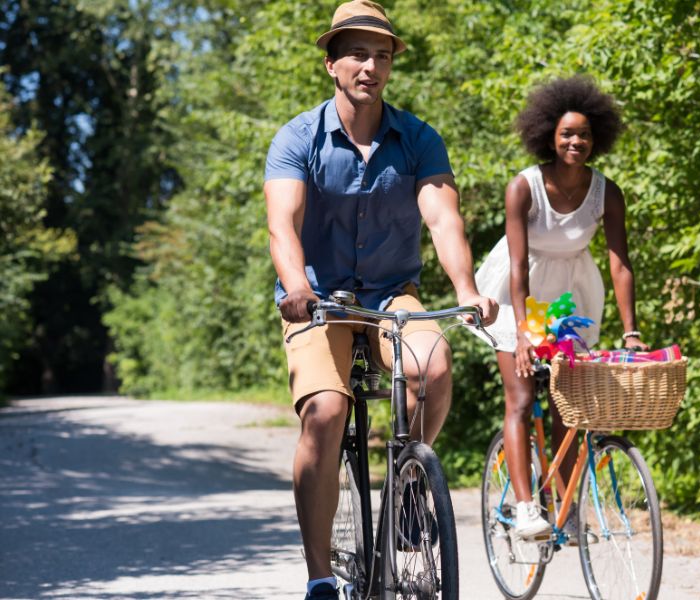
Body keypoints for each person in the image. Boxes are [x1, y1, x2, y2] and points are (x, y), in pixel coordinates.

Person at [263, 2, 497, 598]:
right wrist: (295, 286)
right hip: (318, 298)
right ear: (331, 63)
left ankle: (409, 485)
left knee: (432, 365)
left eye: (382, 55)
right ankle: (320, 575)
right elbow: (282, 225)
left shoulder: (418, 139)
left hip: (393, 292)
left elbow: (443, 220)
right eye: (358, 54)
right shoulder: (298, 138)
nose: (371, 65)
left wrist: (467, 290)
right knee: (325, 412)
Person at [474, 75, 647, 540]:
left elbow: (620, 263)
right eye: (568, 133)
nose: (576, 141)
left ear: (597, 139)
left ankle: (567, 511)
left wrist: (631, 331)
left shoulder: (606, 192)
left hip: (571, 298)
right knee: (522, 398)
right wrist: (526, 333)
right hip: (519, 295)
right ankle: (527, 506)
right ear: (549, 135)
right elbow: (516, 267)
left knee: (566, 410)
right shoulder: (524, 188)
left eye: (585, 134)